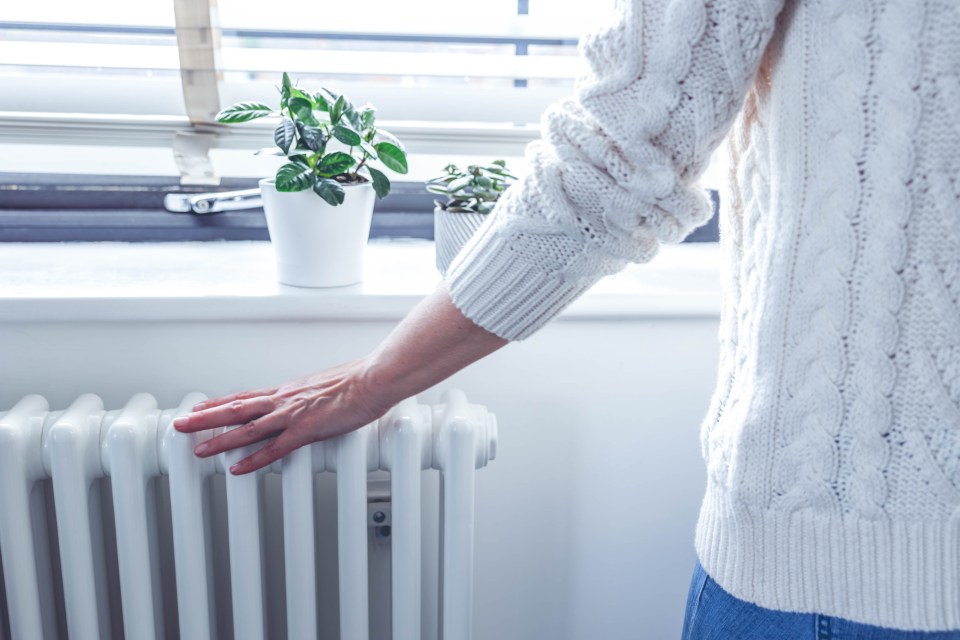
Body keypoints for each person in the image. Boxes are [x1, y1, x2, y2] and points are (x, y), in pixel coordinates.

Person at [173, 0, 960, 636]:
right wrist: (377, 379)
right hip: (846, 559)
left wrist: (376, 381)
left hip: (855, 565)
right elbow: (623, 152)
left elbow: (616, 159)